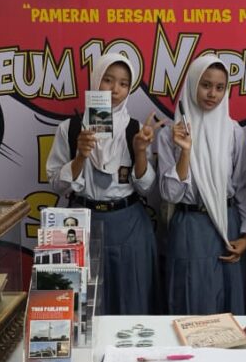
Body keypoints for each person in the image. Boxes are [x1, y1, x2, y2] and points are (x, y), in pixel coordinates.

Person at [46, 52, 162, 314]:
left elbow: (146, 188)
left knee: (130, 300)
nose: (115, 90)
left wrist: (140, 151)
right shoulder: (70, 128)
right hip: (81, 223)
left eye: (123, 83)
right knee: (84, 306)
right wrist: (80, 155)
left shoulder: (135, 129)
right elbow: (57, 185)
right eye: (108, 80)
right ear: (96, 80)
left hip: (129, 224)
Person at [156, 54, 246, 315]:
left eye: (220, 87)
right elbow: (171, 194)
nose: (212, 94)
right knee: (191, 306)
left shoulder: (233, 131)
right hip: (190, 227)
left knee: (229, 309)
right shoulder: (169, 134)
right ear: (192, 84)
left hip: (227, 225)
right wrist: (185, 151)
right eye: (205, 85)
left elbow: (242, 187)